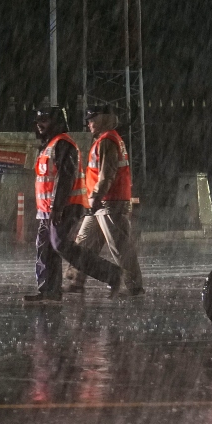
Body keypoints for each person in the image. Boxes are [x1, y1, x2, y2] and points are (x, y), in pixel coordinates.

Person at [24, 106, 122, 302]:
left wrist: (57, 207)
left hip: (65, 206)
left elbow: (65, 179)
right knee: (45, 248)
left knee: (60, 245)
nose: (40, 125)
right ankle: (49, 290)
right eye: (38, 122)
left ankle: (111, 273)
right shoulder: (49, 145)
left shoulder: (63, 144)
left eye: (44, 121)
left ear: (57, 122)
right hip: (47, 209)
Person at [64, 105, 144, 297]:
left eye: (93, 119)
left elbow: (106, 174)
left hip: (109, 202)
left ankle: (134, 288)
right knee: (83, 244)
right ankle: (76, 281)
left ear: (104, 119)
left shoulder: (107, 141)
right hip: (100, 203)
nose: (89, 123)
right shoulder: (104, 139)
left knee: (120, 247)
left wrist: (97, 197)